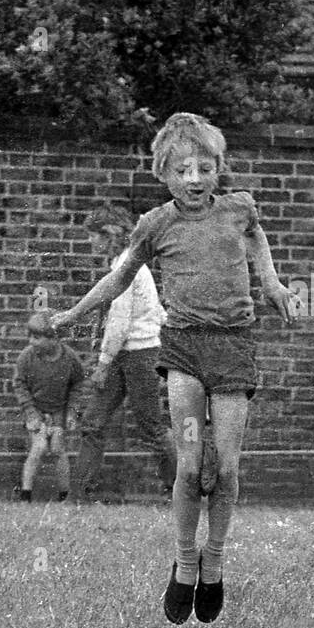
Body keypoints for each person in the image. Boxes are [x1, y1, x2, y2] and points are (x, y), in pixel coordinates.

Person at [52, 113, 298, 625]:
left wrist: (271, 283)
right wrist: (76, 312)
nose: (194, 179)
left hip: (233, 350)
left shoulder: (238, 209)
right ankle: (185, 560)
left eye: (204, 168)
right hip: (183, 351)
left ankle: (215, 559)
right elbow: (119, 278)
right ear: (164, 173)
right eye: (182, 170)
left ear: (218, 170)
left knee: (225, 469)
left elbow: (257, 239)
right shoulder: (155, 224)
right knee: (189, 466)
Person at [74, 204, 177, 502]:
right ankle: (78, 496)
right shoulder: (122, 265)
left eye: (94, 236)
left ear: (110, 235)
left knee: (152, 428)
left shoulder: (127, 269)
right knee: (92, 423)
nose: (91, 243)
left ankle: (182, 492)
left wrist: (103, 365)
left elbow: (119, 323)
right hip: (125, 355)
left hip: (139, 356)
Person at [15, 310, 86, 502]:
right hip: (35, 410)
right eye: (30, 336)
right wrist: (31, 413)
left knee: (57, 449)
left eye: (37, 337)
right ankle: (25, 496)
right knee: (38, 448)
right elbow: (19, 384)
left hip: (58, 412)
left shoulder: (70, 358)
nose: (31, 342)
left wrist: (71, 411)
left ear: (54, 338)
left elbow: (78, 384)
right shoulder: (27, 357)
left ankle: (65, 497)